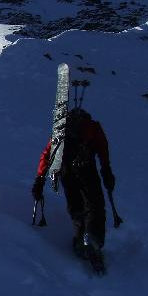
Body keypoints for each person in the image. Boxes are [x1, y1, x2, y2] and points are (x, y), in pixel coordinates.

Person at [31, 108, 115, 258]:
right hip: (87, 169)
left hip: (67, 172)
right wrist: (106, 170)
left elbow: (47, 154)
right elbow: (103, 149)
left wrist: (39, 180)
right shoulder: (92, 127)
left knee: (76, 206)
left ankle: (79, 239)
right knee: (94, 205)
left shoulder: (61, 130)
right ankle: (93, 240)